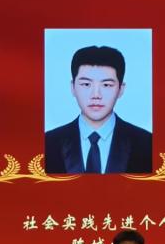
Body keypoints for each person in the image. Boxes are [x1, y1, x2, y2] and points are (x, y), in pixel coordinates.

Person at [44, 46, 152, 174]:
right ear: (72, 87)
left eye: (106, 85)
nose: (96, 95)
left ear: (121, 89)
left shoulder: (148, 143)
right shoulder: (47, 143)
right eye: (86, 84)